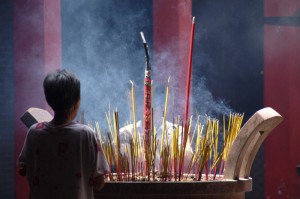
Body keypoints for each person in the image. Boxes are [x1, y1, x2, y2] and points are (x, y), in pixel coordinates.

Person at [18, 69, 110, 199]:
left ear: (48, 99)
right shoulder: (86, 134)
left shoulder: (34, 132)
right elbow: (99, 183)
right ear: (77, 101)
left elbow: (23, 169)